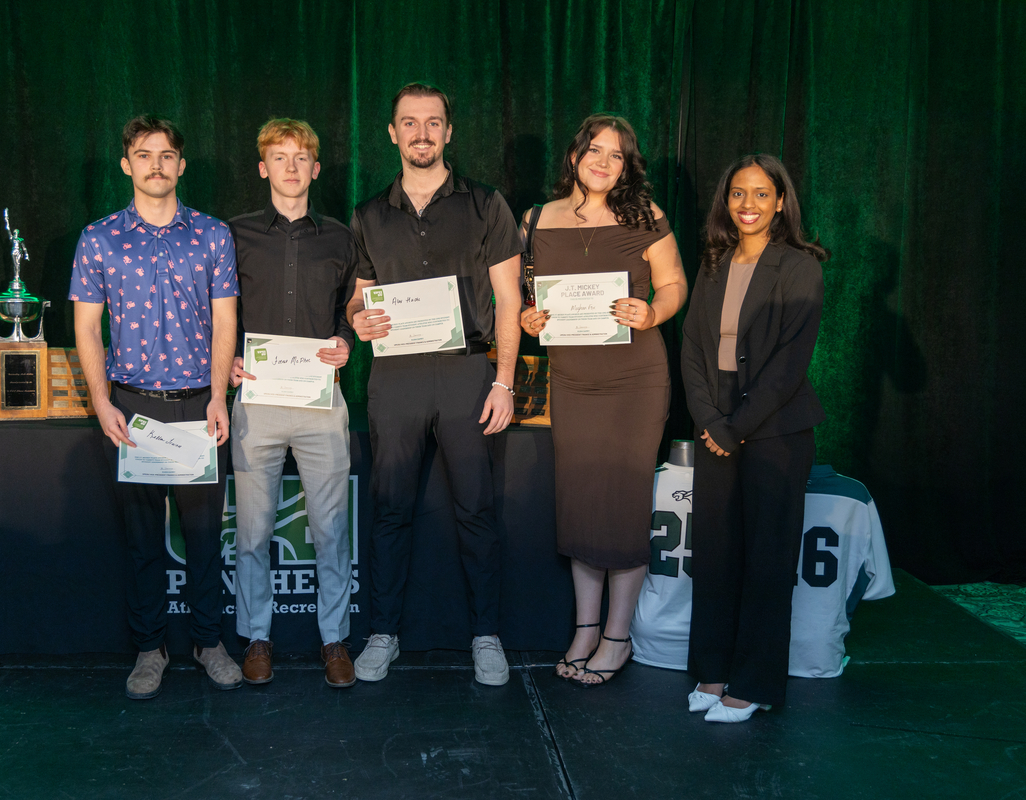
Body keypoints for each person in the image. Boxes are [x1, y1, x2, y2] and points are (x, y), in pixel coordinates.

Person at [345, 83, 523, 685]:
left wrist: (503, 381)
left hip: (468, 371)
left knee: (475, 507)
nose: (422, 133)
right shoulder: (368, 215)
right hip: (395, 374)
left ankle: (487, 636)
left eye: (433, 122)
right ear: (392, 133)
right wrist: (356, 317)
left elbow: (507, 298)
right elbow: (359, 299)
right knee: (390, 508)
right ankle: (383, 633)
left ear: (449, 132)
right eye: (409, 123)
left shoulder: (486, 204)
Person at [70, 115, 243, 699]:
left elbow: (226, 320)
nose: (156, 165)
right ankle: (150, 648)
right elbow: (87, 329)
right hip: (132, 409)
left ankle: (209, 641)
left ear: (182, 165)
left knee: (202, 534)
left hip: (198, 405)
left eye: (167, 155)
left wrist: (220, 396)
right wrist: (101, 401)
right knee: (142, 537)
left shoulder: (213, 235)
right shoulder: (99, 238)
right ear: (127, 164)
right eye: (144, 155)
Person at [521, 114, 687, 686]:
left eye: (616, 155)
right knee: (580, 500)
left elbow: (674, 285)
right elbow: (525, 299)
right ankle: (585, 628)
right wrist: (529, 317)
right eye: (595, 150)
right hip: (571, 381)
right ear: (574, 155)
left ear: (626, 166)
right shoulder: (535, 219)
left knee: (622, 500)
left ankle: (617, 636)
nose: (603, 162)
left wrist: (654, 312)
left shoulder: (647, 216)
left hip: (634, 380)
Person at [680, 153, 828, 722]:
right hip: (716, 423)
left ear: (781, 202)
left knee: (767, 559)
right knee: (715, 555)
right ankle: (713, 672)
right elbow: (693, 347)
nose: (748, 205)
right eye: (738, 194)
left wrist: (736, 428)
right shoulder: (714, 262)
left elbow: (789, 367)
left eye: (761, 194)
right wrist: (711, 422)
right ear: (726, 202)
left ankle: (755, 682)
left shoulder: (799, 266)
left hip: (776, 432)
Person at [228, 119, 358, 689]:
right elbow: (217, 311)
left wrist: (348, 341)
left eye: (300, 157)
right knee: (253, 530)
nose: (289, 166)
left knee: (330, 529)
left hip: (320, 399)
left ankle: (334, 639)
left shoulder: (341, 237)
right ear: (263, 168)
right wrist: (227, 359)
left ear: (315, 169)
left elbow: (352, 308)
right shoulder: (231, 234)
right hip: (254, 398)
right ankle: (257, 637)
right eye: (279, 157)